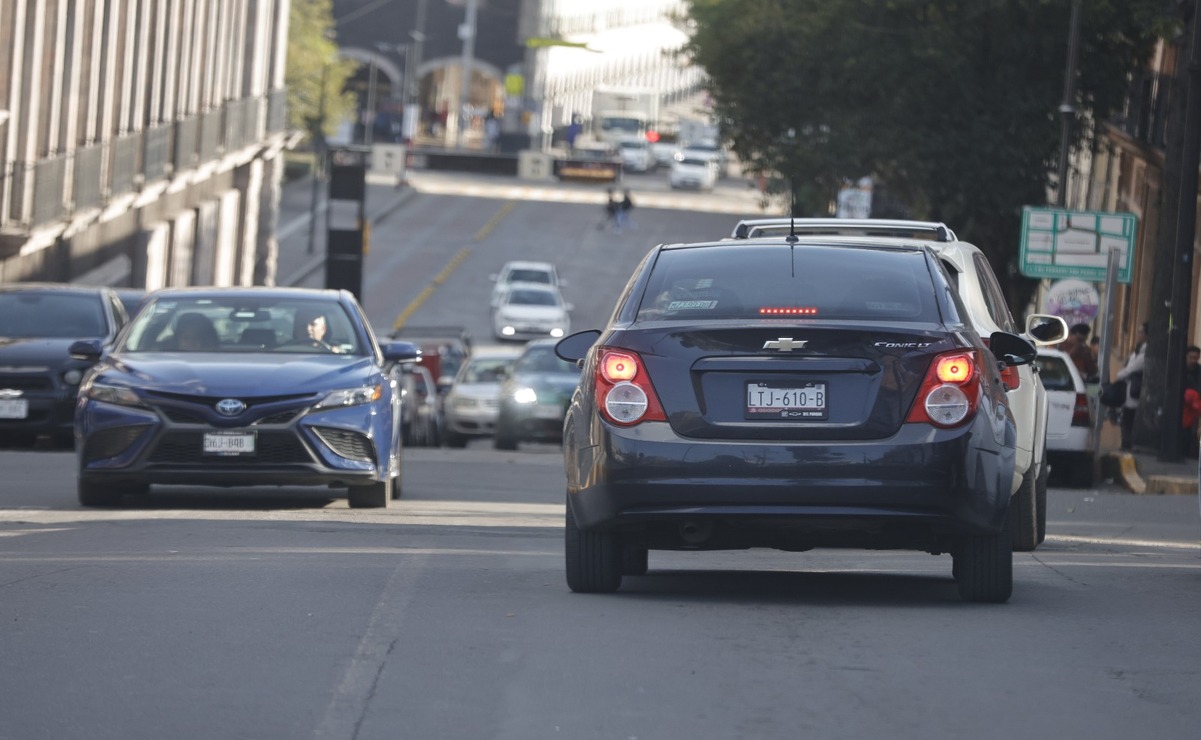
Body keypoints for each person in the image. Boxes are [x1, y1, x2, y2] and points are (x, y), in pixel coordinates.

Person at [1115, 321, 1147, 451]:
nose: (1138, 334)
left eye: (1141, 332)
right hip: (1130, 389)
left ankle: (1128, 443)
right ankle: (1126, 442)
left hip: (1135, 390)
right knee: (1126, 417)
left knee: (1129, 418)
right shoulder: (1138, 349)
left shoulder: (1145, 353)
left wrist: (1119, 374)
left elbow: (1131, 369)